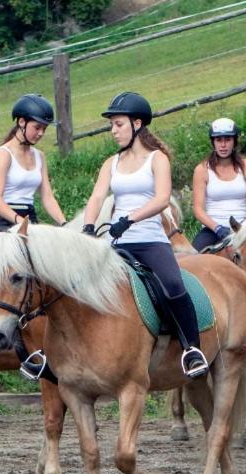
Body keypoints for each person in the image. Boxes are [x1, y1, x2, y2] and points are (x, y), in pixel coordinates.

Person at [81, 92, 209, 379]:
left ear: (137, 123)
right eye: (112, 125)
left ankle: (192, 349)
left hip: (150, 239)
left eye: (118, 124)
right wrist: (89, 228)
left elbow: (162, 198)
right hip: (115, 241)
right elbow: (97, 197)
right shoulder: (110, 164)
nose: (113, 131)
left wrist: (129, 219)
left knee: (174, 286)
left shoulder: (157, 159)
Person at [0, 94, 68, 360]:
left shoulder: (40, 156)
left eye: (44, 129)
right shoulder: (3, 155)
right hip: (3, 220)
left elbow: (47, 196)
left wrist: (65, 224)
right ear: (21, 123)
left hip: (28, 221)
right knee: (3, 271)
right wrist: (17, 223)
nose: (41, 133)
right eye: (37, 127)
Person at [190, 118, 246, 252]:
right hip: (213, 230)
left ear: (234, 142)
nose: (223, 145)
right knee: (194, 258)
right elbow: (198, 209)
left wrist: (244, 225)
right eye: (218, 140)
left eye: (227, 139)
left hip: (244, 226)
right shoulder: (202, 170)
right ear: (213, 142)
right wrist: (217, 228)